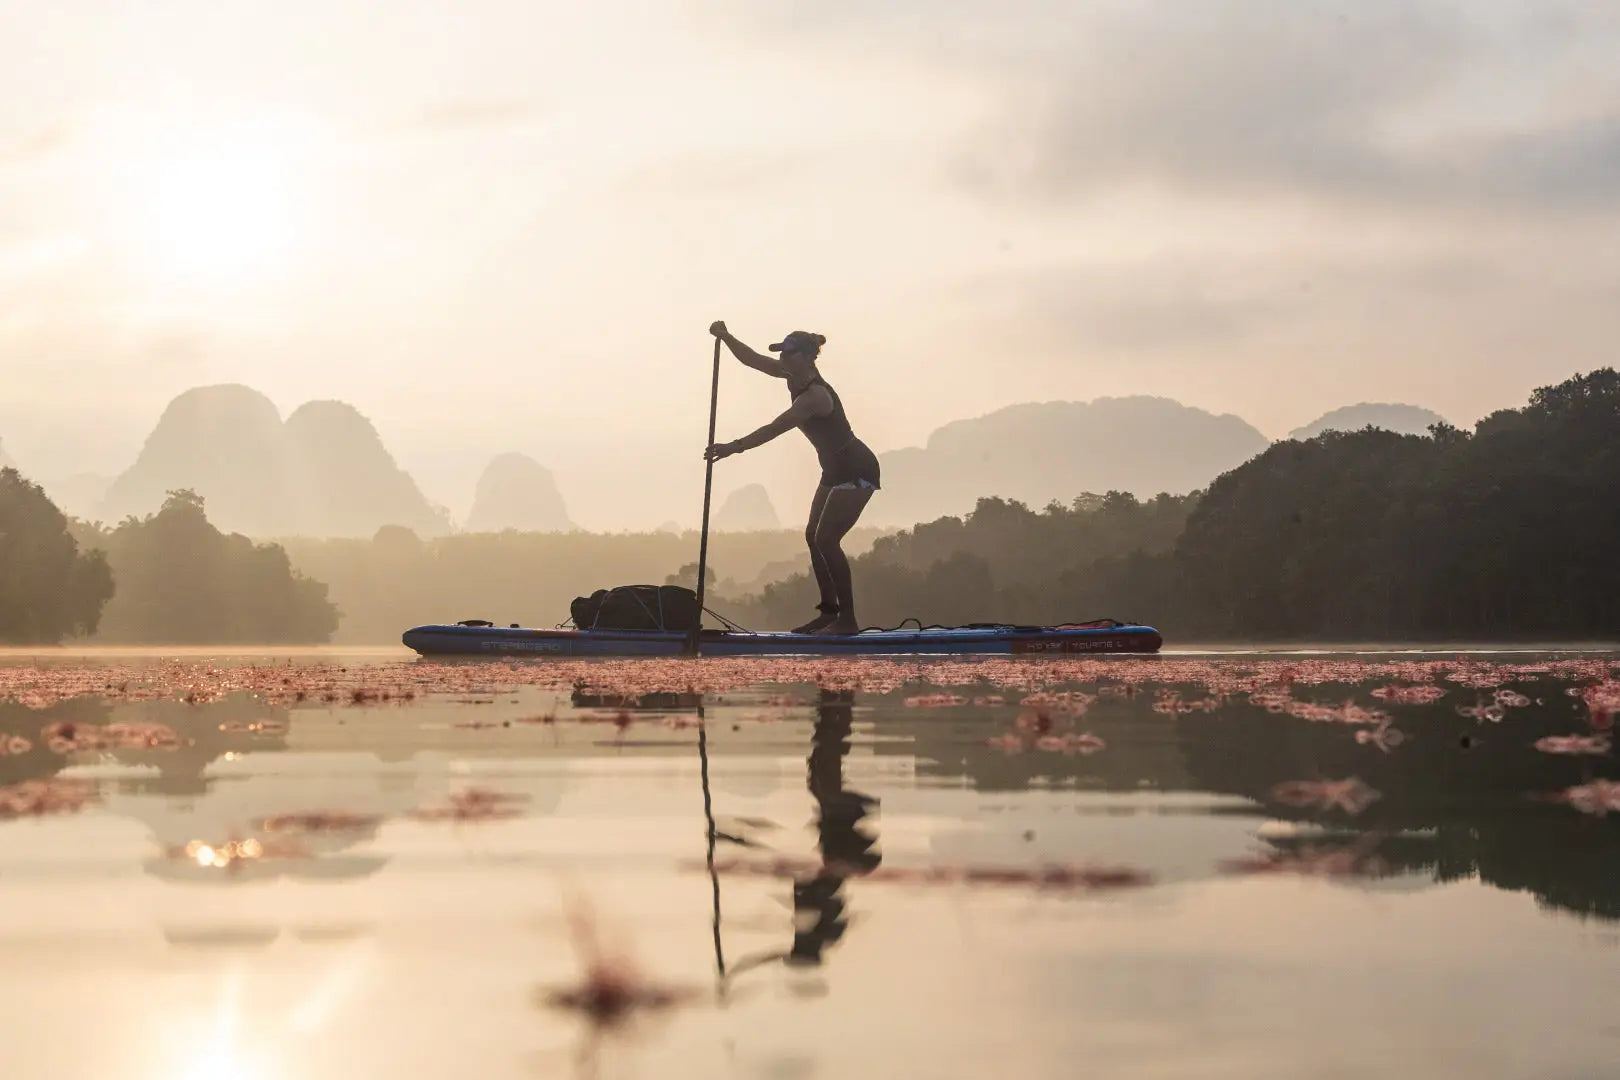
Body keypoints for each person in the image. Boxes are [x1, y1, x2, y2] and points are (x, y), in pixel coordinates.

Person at [704, 320, 880, 635]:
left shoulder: (814, 396)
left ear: (805, 357)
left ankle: (848, 621)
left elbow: (775, 427)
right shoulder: (791, 376)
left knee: (827, 540)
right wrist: (726, 336)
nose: (782, 358)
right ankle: (829, 614)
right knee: (813, 537)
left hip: (857, 469)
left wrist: (734, 447)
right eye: (782, 353)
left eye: (788, 353)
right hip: (833, 469)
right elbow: (753, 361)